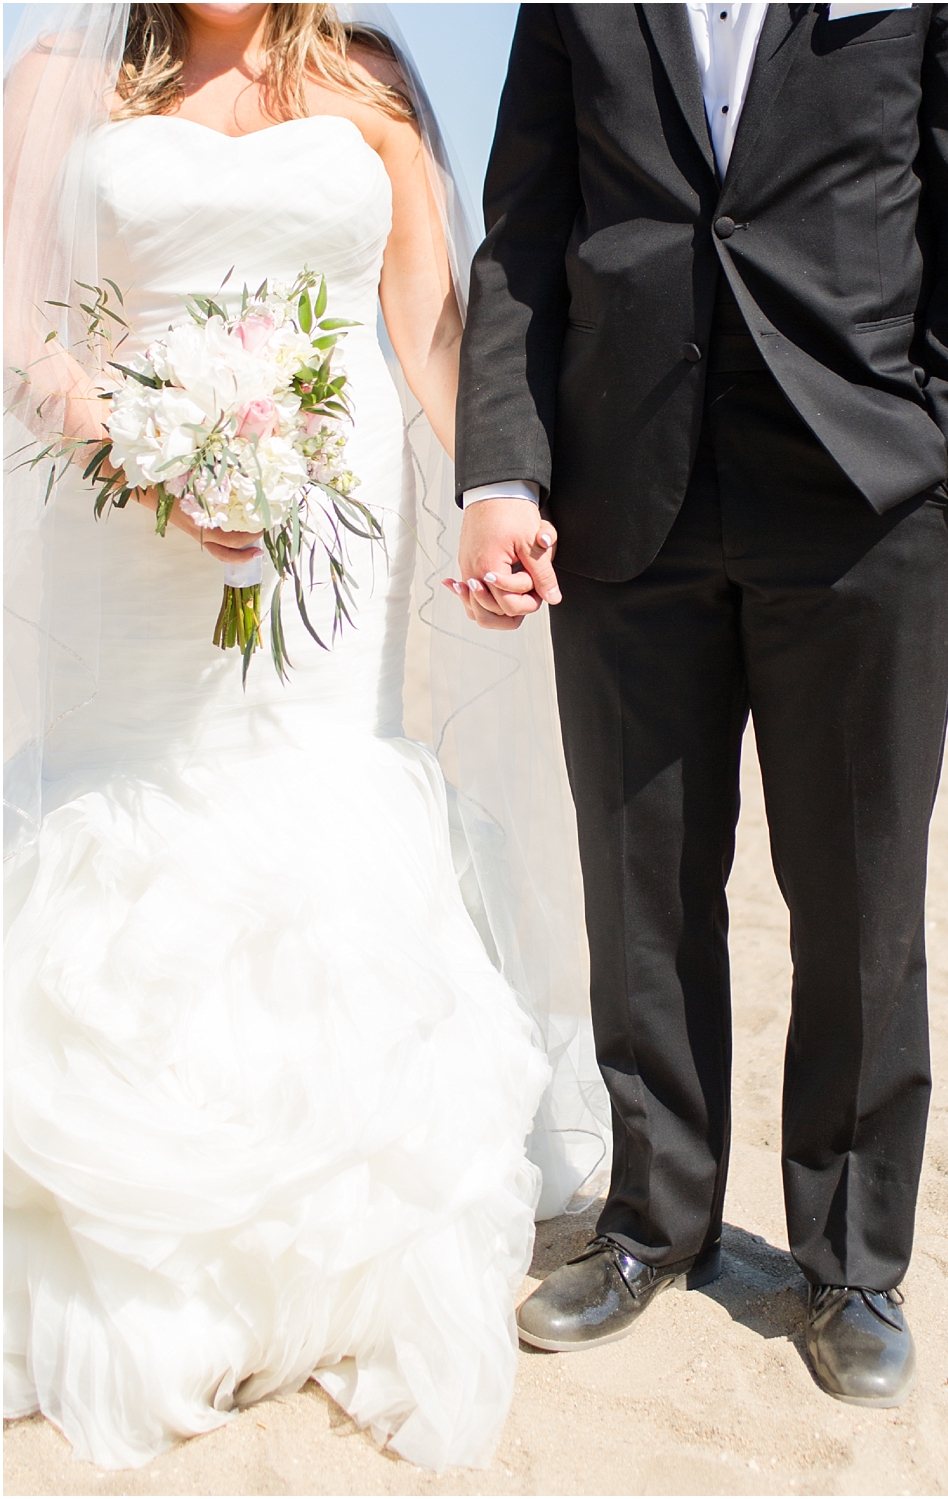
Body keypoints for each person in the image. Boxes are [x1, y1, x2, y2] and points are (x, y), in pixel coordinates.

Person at [3, 2, 597, 1468]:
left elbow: (431, 323)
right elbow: (18, 318)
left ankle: (321, 1220)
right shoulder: (54, 78)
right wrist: (139, 445)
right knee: (135, 805)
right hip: (121, 520)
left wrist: (494, 494)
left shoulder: (369, 81)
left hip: (334, 527)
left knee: (310, 809)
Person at [448, 3, 948, 1407]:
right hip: (627, 487)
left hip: (861, 492)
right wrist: (502, 469)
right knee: (642, 885)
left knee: (860, 891)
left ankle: (853, 1262)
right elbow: (524, 228)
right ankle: (654, 1222)